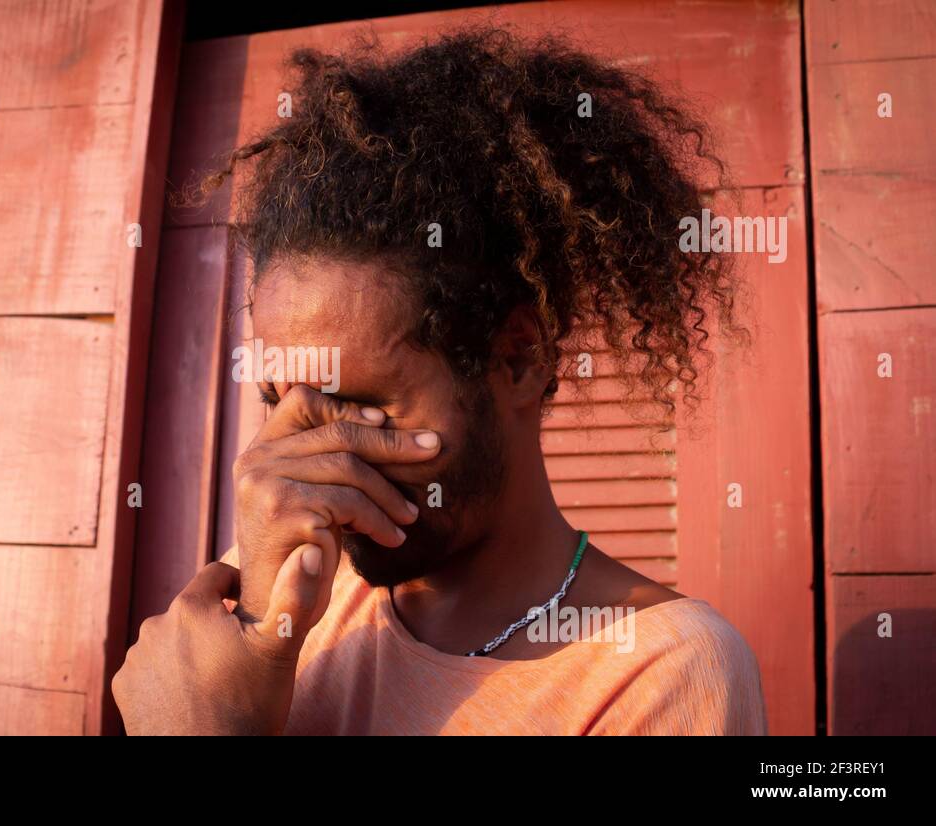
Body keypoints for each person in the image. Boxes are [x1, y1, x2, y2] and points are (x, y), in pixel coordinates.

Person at [112, 26, 767, 735]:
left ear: (519, 358)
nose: (302, 465)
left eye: (359, 407)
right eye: (281, 404)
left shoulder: (657, 670)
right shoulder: (279, 602)